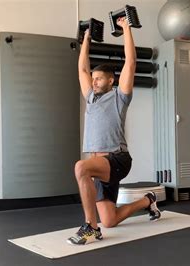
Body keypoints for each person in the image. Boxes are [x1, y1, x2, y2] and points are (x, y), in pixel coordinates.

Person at [67, 17, 161, 245]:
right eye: (94, 78)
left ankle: (90, 227)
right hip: (98, 168)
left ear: (111, 80)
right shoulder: (90, 98)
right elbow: (81, 68)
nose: (95, 81)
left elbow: (130, 62)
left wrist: (126, 28)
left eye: (99, 78)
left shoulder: (120, 97)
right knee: (110, 220)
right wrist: (86, 38)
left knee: (80, 167)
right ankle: (148, 201)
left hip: (117, 159)